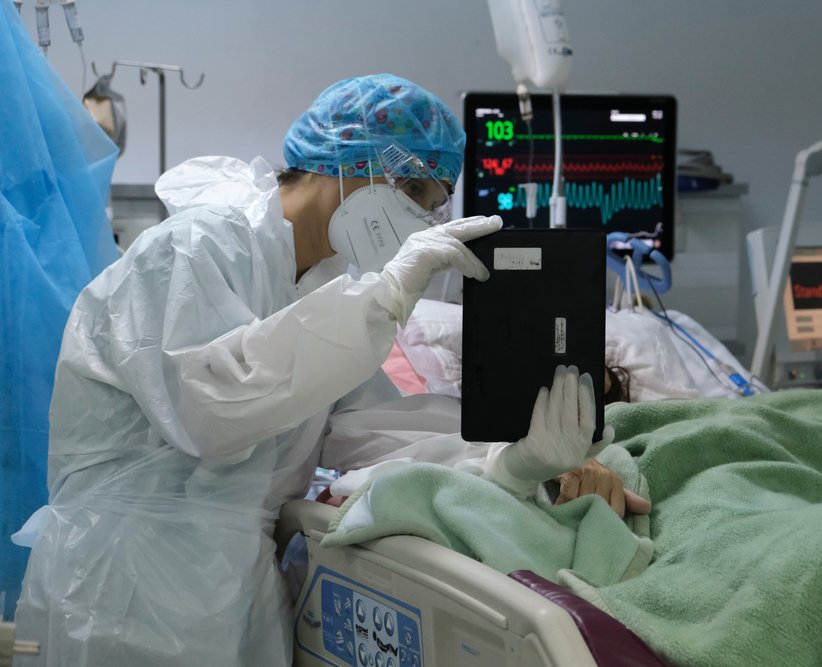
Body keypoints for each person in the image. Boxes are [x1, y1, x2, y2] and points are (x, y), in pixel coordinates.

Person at [11, 74, 615, 667]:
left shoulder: (324, 290)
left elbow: (369, 429)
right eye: (416, 197)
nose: (422, 223)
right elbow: (211, 408)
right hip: (120, 587)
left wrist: (510, 457)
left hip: (235, 592)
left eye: (433, 210)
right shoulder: (194, 249)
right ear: (357, 165)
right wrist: (378, 304)